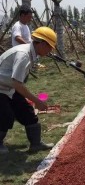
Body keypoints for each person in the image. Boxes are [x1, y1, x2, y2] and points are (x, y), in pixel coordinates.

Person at [0, 26, 57, 154]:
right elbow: (17, 83)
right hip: (2, 88)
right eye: (50, 47)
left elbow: (16, 82)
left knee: (27, 112)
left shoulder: (31, 53)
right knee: (5, 115)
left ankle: (36, 144)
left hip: (9, 87)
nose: (50, 50)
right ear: (42, 44)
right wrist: (36, 100)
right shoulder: (24, 55)